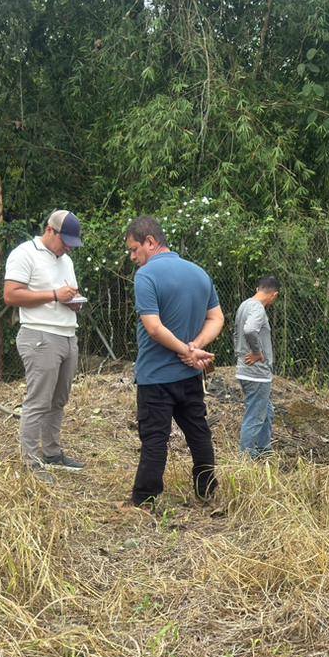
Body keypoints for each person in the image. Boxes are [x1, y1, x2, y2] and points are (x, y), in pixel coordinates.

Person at [127, 215, 223, 507]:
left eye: (134, 249)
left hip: (155, 377)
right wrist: (196, 347)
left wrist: (186, 349)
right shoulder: (198, 273)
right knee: (198, 433)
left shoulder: (146, 276)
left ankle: (145, 500)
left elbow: (154, 328)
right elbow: (216, 318)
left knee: (155, 439)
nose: (132, 257)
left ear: (150, 242)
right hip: (190, 375)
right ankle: (206, 490)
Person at [3, 209, 86, 471]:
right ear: (50, 230)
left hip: (67, 334)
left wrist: (74, 301)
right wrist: (54, 295)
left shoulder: (66, 261)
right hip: (40, 335)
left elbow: (65, 294)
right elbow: (11, 295)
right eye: (65, 242)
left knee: (59, 400)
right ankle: (30, 462)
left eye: (72, 244)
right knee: (38, 401)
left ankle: (52, 453)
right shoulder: (24, 253)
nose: (68, 249)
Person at [234, 276, 280, 458]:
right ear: (274, 295)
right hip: (256, 373)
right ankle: (246, 457)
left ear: (257, 289)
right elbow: (250, 330)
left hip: (246, 370)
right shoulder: (258, 308)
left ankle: (264, 450)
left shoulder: (244, 305)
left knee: (266, 411)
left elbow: (237, 333)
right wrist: (257, 352)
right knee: (255, 416)